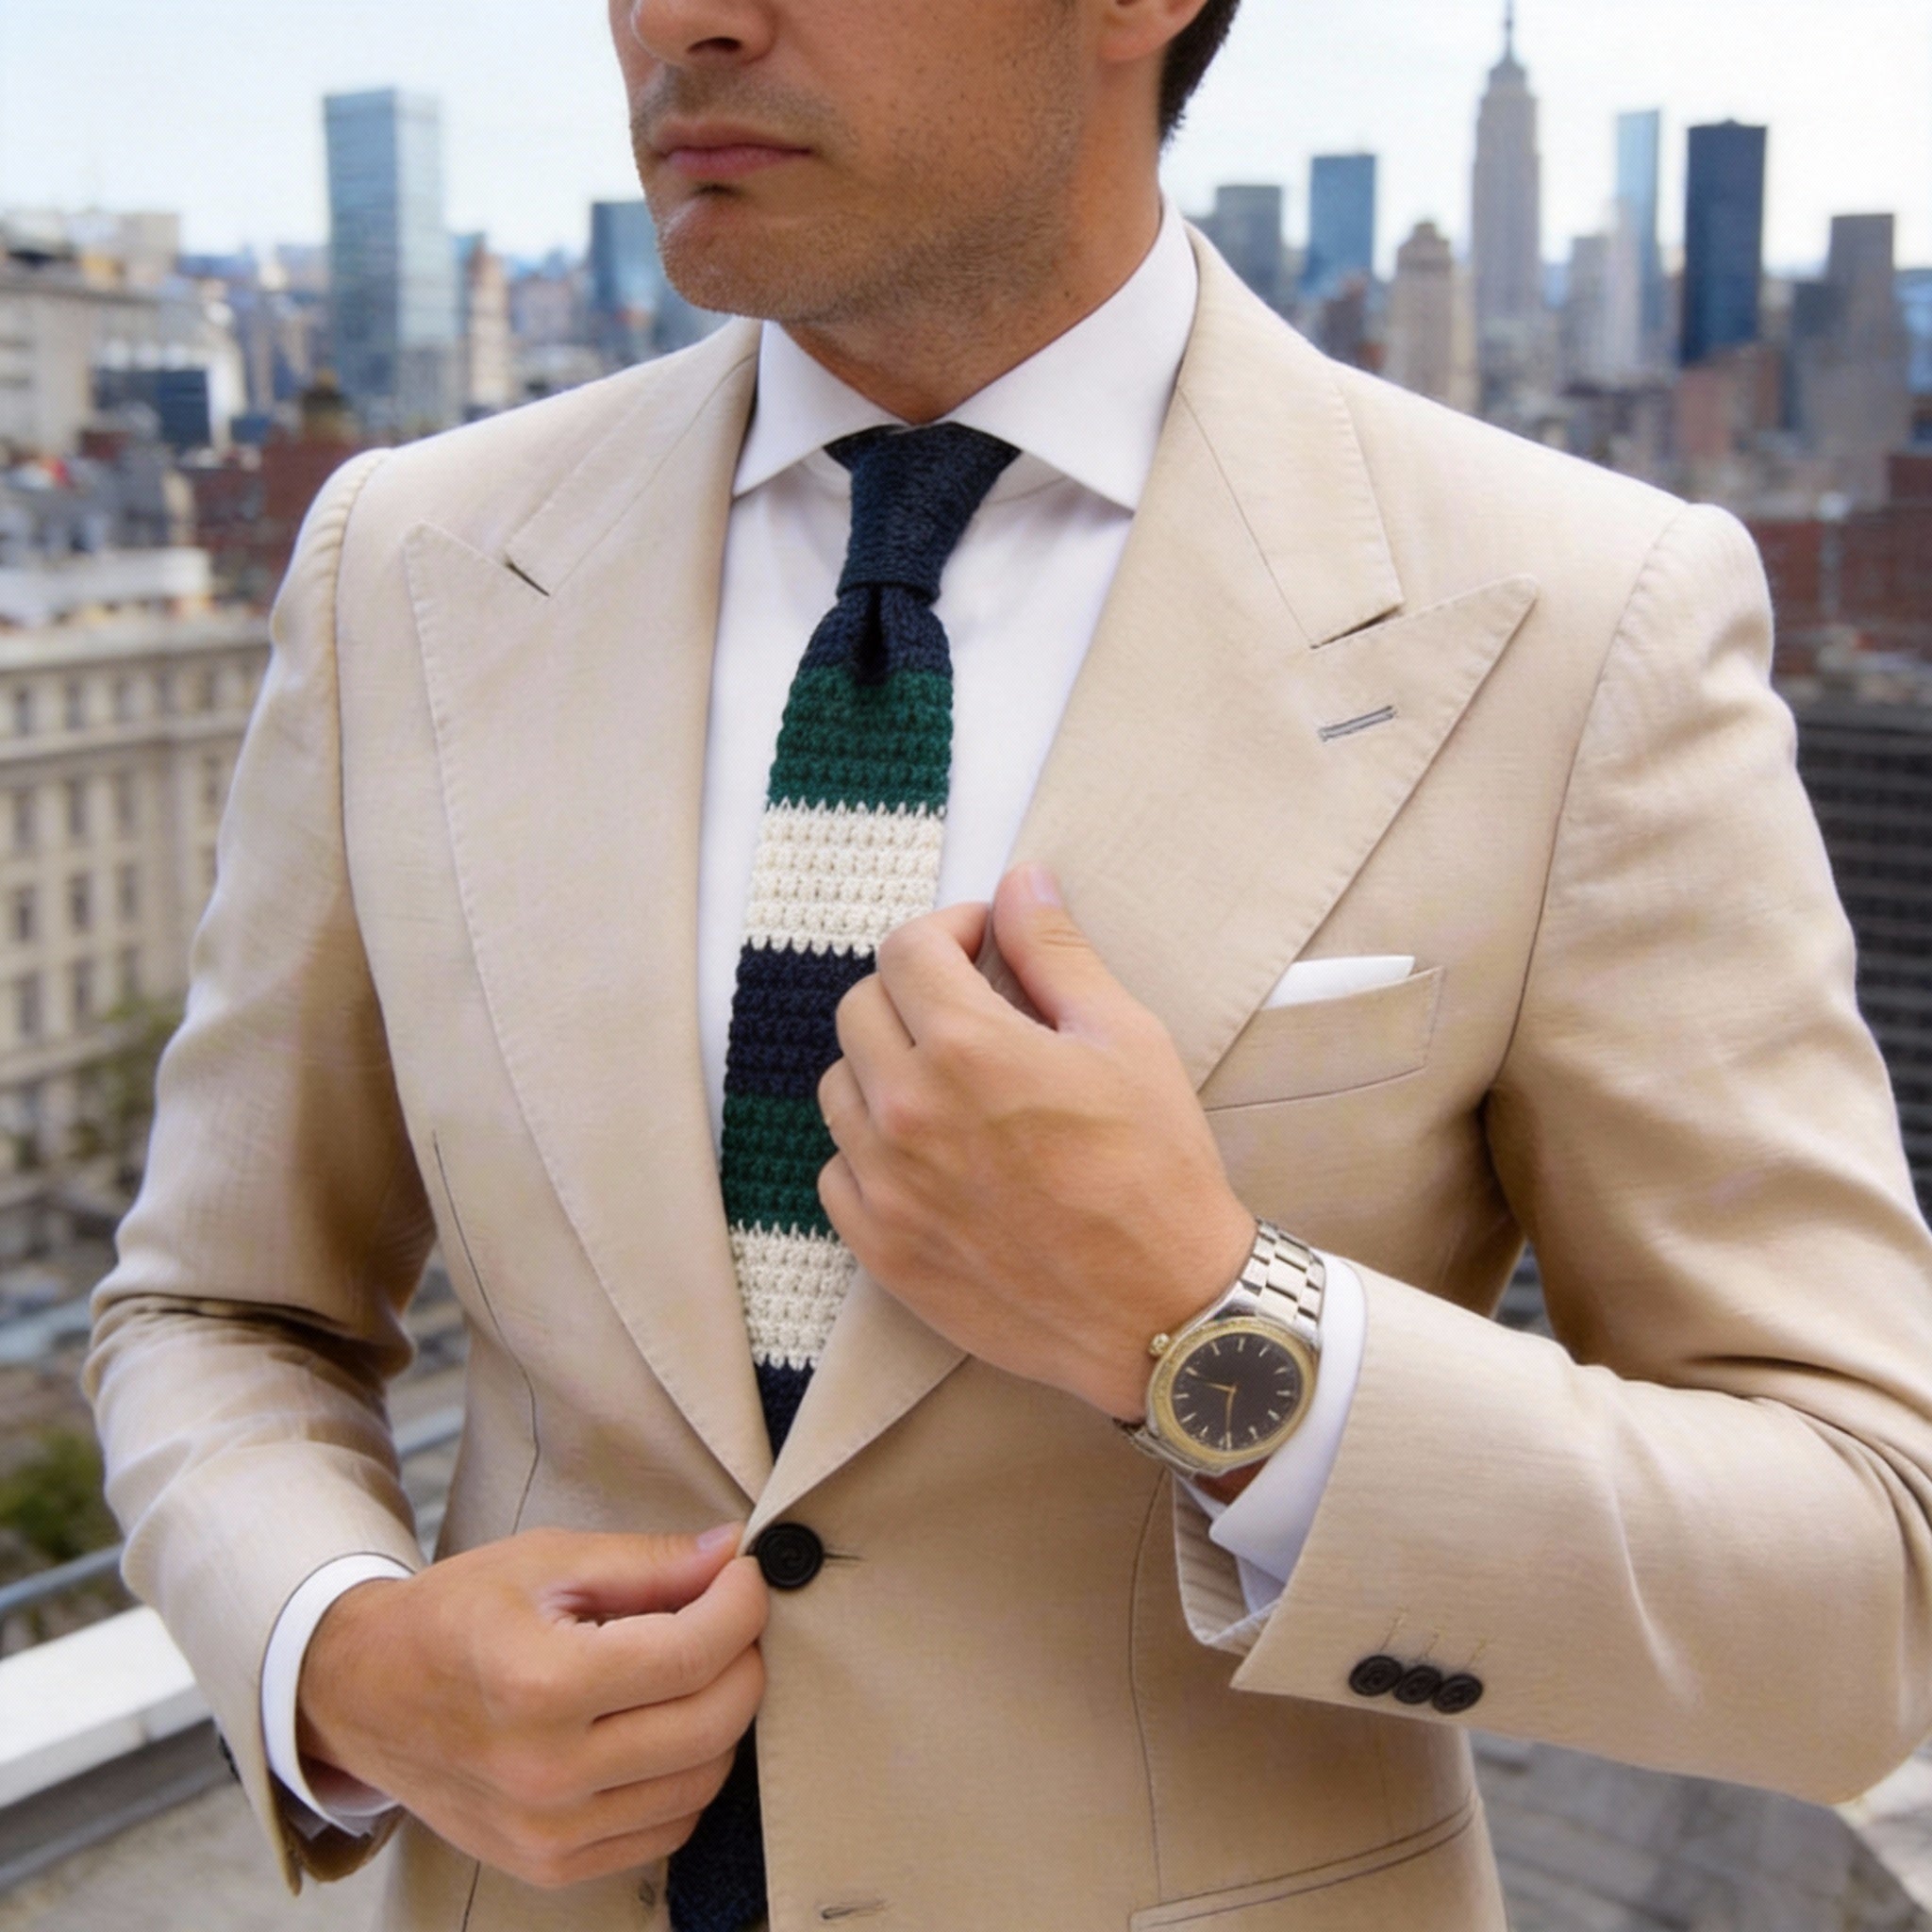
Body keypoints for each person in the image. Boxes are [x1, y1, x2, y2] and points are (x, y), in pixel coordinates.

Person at [87, 0, 1932, 1927]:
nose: (676, 20)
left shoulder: (1582, 613)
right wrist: (339, 1653)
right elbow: (218, 1306)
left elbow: (1867, 1577)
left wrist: (1212, 1332)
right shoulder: (405, 560)